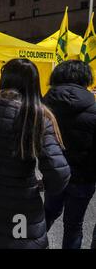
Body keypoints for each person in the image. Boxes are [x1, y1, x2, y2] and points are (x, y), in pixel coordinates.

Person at [0, 59, 70, 249]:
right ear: (34, 83)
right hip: (22, 212)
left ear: (4, 79)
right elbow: (59, 173)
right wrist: (40, 186)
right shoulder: (39, 117)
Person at [43, 60, 96, 249]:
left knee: (45, 215)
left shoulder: (44, 105)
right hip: (83, 179)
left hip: (53, 174)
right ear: (86, 78)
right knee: (74, 226)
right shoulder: (93, 108)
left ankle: (25, 244)